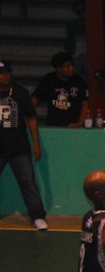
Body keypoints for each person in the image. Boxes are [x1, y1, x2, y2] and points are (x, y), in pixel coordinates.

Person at [0, 62, 48, 229]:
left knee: (28, 182)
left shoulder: (20, 93)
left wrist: (36, 144)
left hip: (19, 148)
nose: (4, 76)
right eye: (1, 73)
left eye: (7, 72)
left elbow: (31, 119)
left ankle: (38, 216)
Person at [32, 51, 89, 128]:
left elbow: (85, 103)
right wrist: (28, 118)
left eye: (72, 65)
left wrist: (80, 122)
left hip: (73, 126)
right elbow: (35, 98)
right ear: (59, 69)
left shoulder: (78, 81)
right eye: (67, 66)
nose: (71, 68)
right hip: (53, 125)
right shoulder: (49, 80)